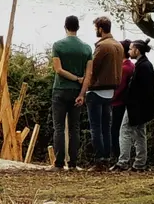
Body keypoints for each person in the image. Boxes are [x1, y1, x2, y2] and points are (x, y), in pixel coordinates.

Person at [49, 15, 92, 169]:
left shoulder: (58, 45)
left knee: (59, 127)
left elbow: (58, 70)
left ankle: (59, 163)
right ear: (78, 28)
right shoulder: (87, 48)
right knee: (75, 128)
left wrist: (74, 78)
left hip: (60, 90)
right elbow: (89, 75)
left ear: (65, 27)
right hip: (77, 93)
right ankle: (73, 163)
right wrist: (82, 94)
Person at [81, 16, 124, 164]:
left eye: (96, 28)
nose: (95, 31)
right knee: (107, 126)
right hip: (111, 91)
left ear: (100, 28)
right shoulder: (118, 45)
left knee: (96, 127)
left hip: (97, 90)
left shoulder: (102, 46)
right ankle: (107, 156)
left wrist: (84, 83)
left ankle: (99, 158)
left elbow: (92, 68)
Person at [115, 39, 154, 171]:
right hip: (143, 105)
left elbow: (139, 88)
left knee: (125, 131)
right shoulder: (145, 65)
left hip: (136, 105)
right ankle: (140, 163)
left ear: (137, 50)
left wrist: (129, 99)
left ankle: (123, 162)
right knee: (140, 133)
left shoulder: (142, 67)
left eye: (130, 49)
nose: (129, 51)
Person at [110, 40, 133, 164]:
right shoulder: (131, 66)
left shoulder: (124, 68)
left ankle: (118, 158)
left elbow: (119, 88)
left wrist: (109, 99)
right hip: (123, 104)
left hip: (118, 104)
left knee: (116, 131)